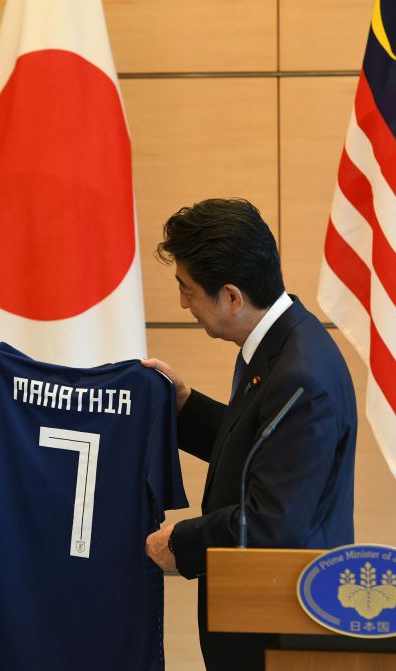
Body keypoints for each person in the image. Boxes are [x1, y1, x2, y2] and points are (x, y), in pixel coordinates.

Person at [142, 198, 357, 670]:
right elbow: (262, 450)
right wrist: (184, 408)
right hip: (262, 620)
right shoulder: (282, 345)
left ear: (233, 297)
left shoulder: (300, 375)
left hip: (281, 634)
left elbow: (272, 523)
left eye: (188, 289)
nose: (182, 303)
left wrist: (181, 542)